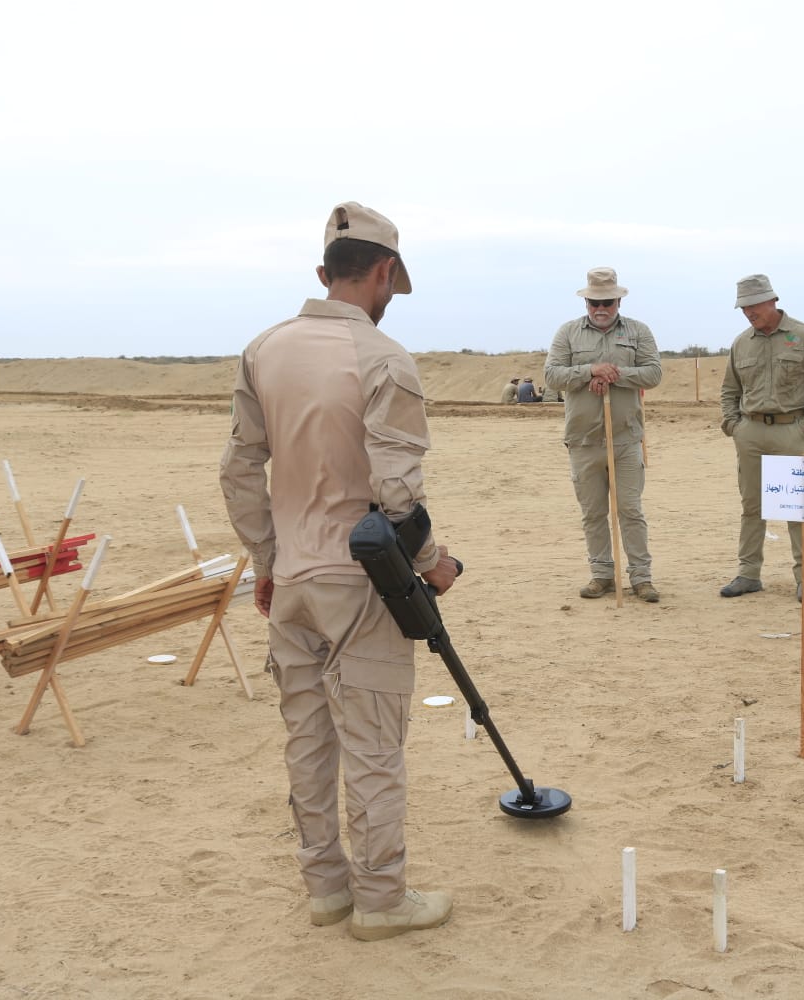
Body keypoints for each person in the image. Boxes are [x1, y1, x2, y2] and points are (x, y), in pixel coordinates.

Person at [220, 201, 458, 941]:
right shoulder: (385, 358)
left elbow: (237, 471)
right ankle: (382, 900)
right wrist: (433, 564)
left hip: (291, 579)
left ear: (324, 275)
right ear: (383, 271)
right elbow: (395, 494)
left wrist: (268, 560)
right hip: (361, 586)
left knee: (308, 741)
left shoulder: (263, 348)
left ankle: (326, 889)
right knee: (374, 746)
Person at [543, 267, 663, 603]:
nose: (601, 308)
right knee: (593, 513)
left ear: (618, 301)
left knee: (630, 510)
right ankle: (601, 575)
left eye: (607, 302)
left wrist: (615, 375)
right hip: (583, 440)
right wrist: (588, 372)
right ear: (586, 302)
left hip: (625, 439)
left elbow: (653, 372)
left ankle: (642, 578)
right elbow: (552, 375)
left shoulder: (638, 332)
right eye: (595, 302)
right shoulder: (567, 333)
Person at [717, 275, 804, 602]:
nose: (748, 312)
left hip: (791, 431)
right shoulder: (741, 343)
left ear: (773, 301)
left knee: (799, 508)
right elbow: (729, 390)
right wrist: (733, 426)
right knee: (752, 507)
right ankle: (748, 574)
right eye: (743, 307)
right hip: (750, 433)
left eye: (754, 305)